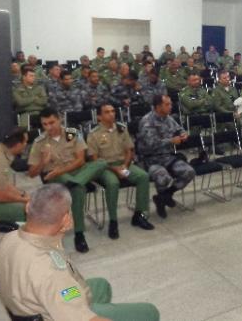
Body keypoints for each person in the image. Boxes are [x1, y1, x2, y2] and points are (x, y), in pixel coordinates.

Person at [0, 184, 160, 321]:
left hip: (33, 300)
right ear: (66, 219)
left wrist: (57, 233)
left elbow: (48, 256)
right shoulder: (51, 272)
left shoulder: (9, 238)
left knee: (101, 285)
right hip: (53, 310)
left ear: (28, 206)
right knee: (149, 312)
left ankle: (90, 305)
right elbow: (60, 286)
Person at [28, 108, 109, 253]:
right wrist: (43, 161)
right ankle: (79, 234)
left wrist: (62, 170)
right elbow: (32, 173)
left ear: (59, 119)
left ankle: (75, 182)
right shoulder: (39, 142)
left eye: (52, 122)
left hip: (73, 171)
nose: (49, 127)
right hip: (57, 176)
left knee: (101, 162)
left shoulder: (72, 133)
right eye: (45, 124)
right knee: (78, 190)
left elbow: (81, 160)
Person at [87, 104, 155, 236]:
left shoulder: (122, 129)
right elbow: (94, 160)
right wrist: (114, 169)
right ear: (99, 117)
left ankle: (139, 215)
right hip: (104, 168)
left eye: (113, 111)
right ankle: (113, 221)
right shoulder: (94, 134)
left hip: (123, 165)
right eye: (107, 112)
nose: (112, 114)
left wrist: (124, 165)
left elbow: (129, 150)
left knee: (143, 176)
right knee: (113, 183)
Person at [137, 95, 195, 219]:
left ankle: (164, 197)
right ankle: (162, 204)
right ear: (158, 107)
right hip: (150, 159)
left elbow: (180, 129)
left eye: (170, 104)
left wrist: (183, 134)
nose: (171, 106)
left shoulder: (168, 118)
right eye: (167, 104)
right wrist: (171, 141)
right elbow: (150, 144)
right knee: (163, 177)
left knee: (189, 172)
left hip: (167, 157)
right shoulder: (147, 121)